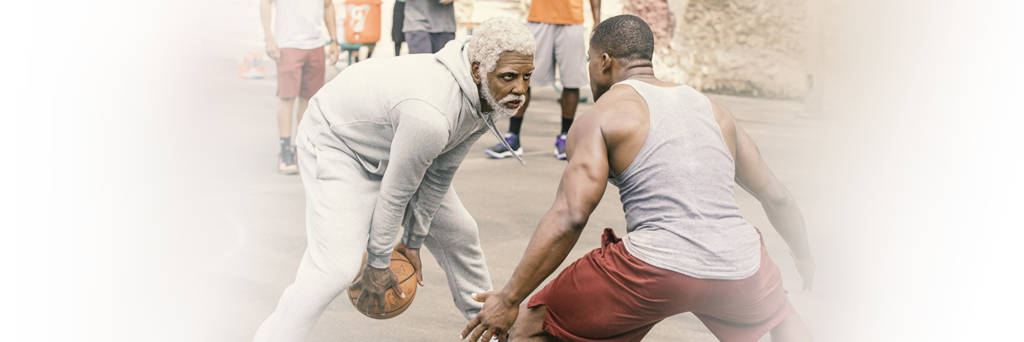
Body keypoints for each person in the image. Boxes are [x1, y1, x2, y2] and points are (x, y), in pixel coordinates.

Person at [463, 15, 815, 342]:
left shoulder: (600, 117)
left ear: (604, 61)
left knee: (531, 325)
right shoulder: (714, 111)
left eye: (589, 60)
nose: (589, 69)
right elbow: (776, 196)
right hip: (740, 262)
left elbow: (571, 214)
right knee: (783, 317)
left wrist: (509, 298)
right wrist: (803, 256)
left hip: (652, 268)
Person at [252, 17, 535, 342]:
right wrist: (378, 260)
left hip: (396, 144)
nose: (520, 89)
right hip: (338, 143)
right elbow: (397, 192)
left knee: (461, 233)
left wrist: (413, 242)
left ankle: (493, 333)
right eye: (510, 77)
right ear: (476, 70)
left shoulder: (489, 96)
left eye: (527, 76)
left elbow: (439, 173)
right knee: (334, 269)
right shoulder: (431, 114)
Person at [485, 0, 601, 161]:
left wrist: (597, 21)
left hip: (572, 21)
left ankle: (565, 137)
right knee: (525, 78)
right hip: (539, 19)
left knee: (571, 81)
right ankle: (513, 137)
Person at [261, 0, 342, 174]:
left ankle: (301, 149)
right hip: (288, 44)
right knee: (287, 98)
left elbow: (328, 6)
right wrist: (269, 38)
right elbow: (265, 3)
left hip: (316, 45)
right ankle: (285, 150)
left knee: (309, 100)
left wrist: (334, 40)